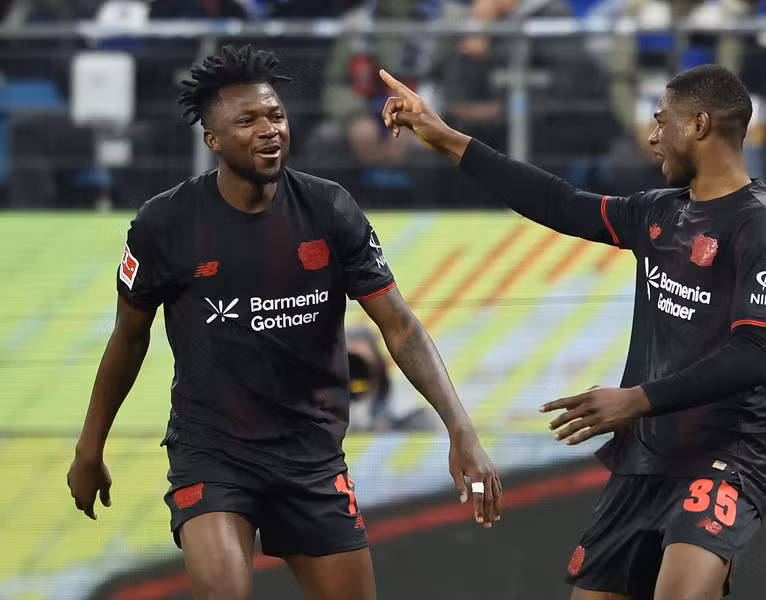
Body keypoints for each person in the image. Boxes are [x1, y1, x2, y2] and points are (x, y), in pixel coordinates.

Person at [66, 44, 501, 600]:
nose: (269, 129)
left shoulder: (330, 209)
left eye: (275, 115)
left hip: (311, 458)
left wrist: (460, 427)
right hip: (214, 454)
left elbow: (401, 327)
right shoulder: (164, 224)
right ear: (213, 140)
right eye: (246, 121)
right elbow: (129, 338)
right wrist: (89, 447)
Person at [379, 64, 766, 599]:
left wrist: (636, 400)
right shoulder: (659, 213)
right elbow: (559, 203)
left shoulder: (763, 227)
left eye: (660, 121)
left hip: (726, 456)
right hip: (646, 458)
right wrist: (446, 140)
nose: (651, 137)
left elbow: (758, 355)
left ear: (698, 125)